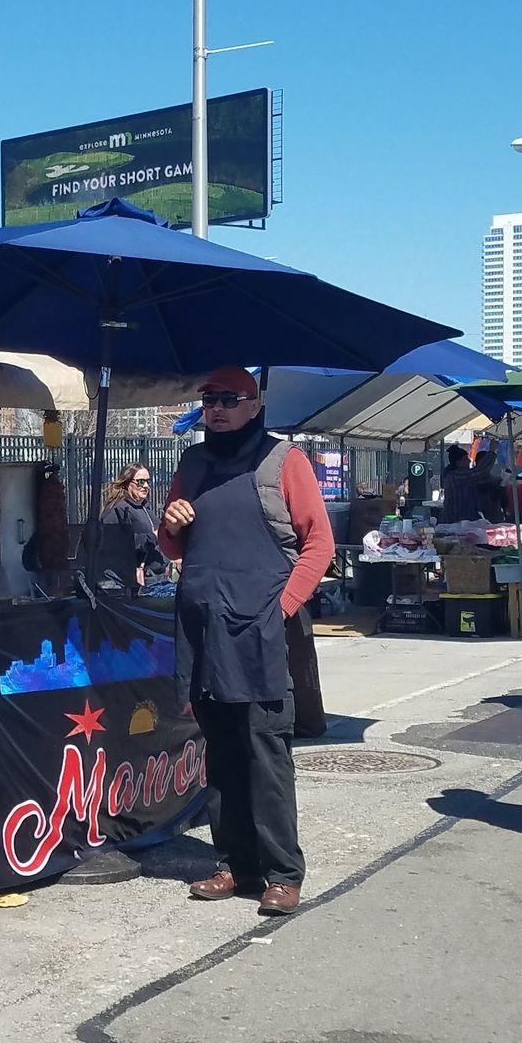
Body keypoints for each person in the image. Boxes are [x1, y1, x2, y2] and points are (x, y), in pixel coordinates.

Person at [157, 367, 332, 915]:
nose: (218, 408)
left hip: (260, 635)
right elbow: (171, 546)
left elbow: (319, 544)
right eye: (209, 399)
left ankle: (282, 873)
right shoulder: (193, 464)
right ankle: (235, 863)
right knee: (222, 754)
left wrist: (279, 609)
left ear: (255, 406)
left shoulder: (284, 461)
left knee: (266, 754)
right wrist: (171, 522)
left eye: (230, 400)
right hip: (204, 630)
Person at [98, 464, 165, 587]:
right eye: (140, 482)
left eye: (147, 482)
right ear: (127, 483)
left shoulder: (146, 508)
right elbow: (117, 545)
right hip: (137, 581)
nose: (145, 486)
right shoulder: (117, 509)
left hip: (157, 577)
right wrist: (153, 537)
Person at [438, 445, 487, 524]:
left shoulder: (455, 475)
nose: (469, 461)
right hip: (455, 521)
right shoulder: (456, 476)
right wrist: (492, 451)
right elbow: (479, 472)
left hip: (462, 520)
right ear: (458, 462)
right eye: (465, 459)